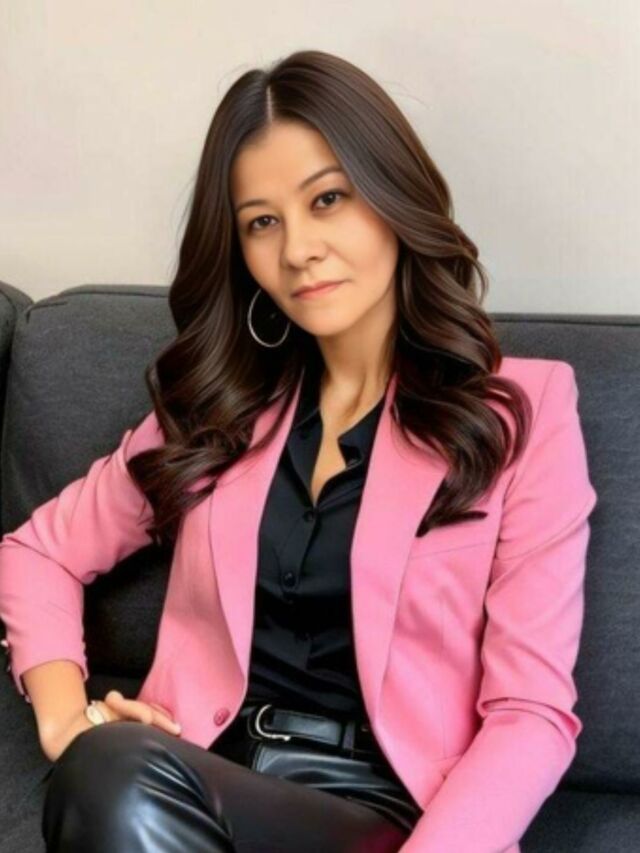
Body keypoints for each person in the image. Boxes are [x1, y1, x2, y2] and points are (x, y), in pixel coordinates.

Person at [0, 50, 597, 852]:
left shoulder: (519, 414)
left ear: (392, 195)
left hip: (388, 813)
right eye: (262, 221)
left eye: (327, 199)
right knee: (109, 771)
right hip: (194, 787)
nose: (299, 249)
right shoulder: (218, 411)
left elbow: (530, 713)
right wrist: (67, 721)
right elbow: (38, 551)